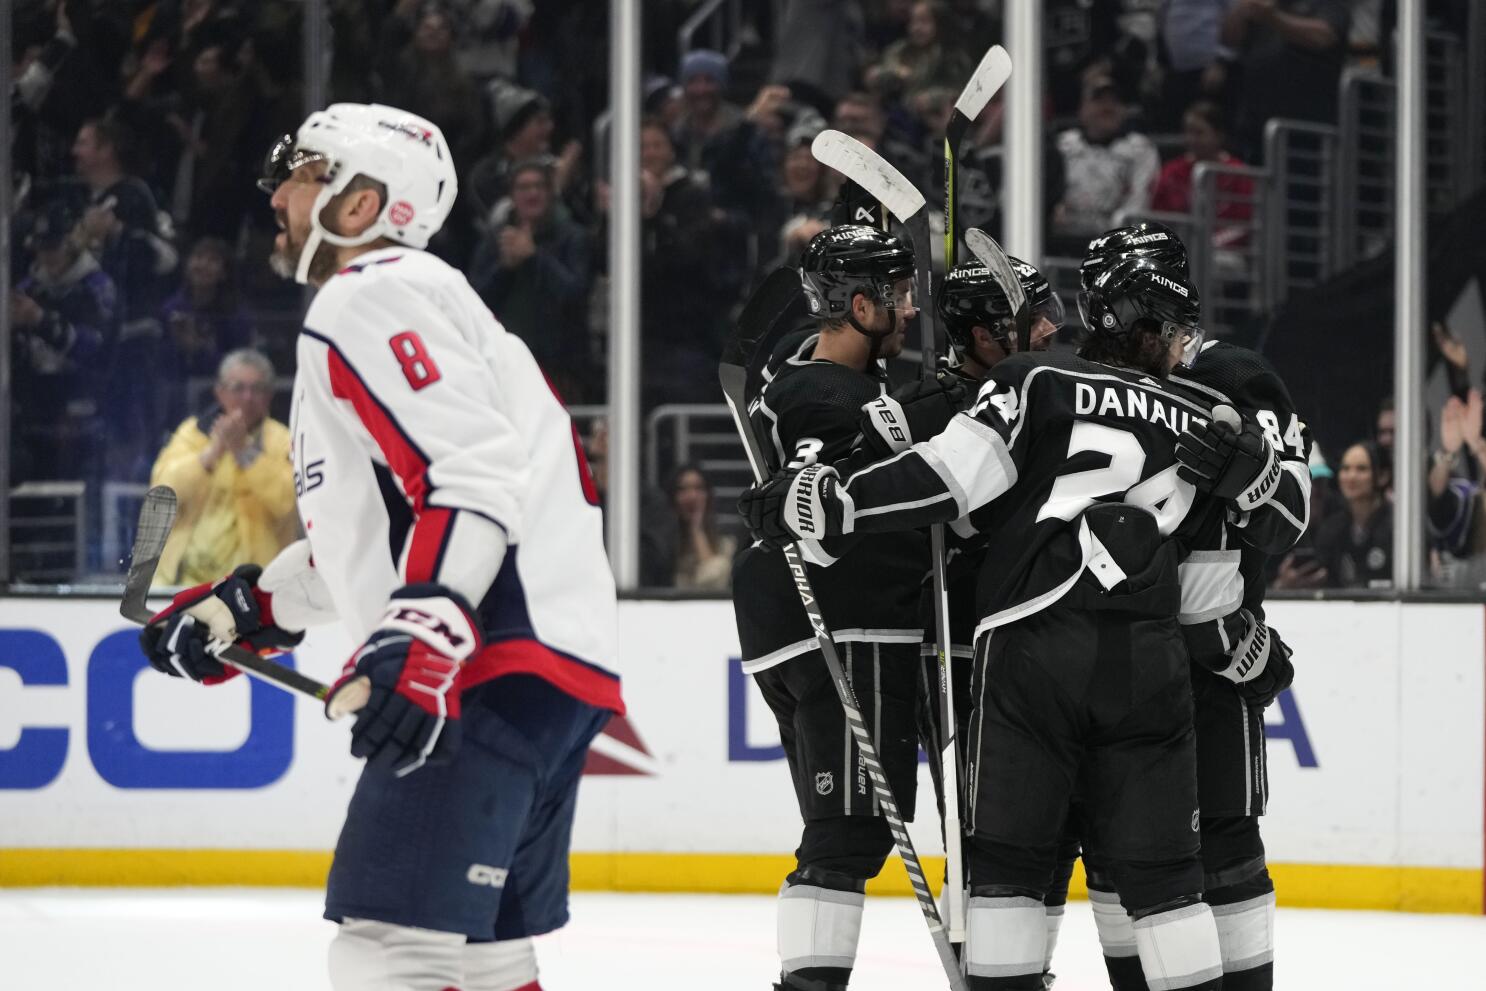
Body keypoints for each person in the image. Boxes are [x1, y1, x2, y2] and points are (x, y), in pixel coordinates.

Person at [136, 103, 623, 991]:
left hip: (485, 662)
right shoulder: (428, 303)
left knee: (389, 953)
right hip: (547, 670)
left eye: (303, 171)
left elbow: (468, 478)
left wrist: (424, 639)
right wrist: (248, 607)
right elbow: (387, 532)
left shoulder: (371, 293)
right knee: (484, 957)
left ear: (358, 206)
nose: (278, 191)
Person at [742, 256, 1233, 991]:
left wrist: (835, 500)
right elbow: (1211, 585)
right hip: (1149, 658)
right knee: (1164, 875)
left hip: (1031, 648)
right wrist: (1230, 651)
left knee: (1007, 861)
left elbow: (944, 484)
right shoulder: (1199, 416)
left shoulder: (1033, 381)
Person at [1068, 223, 1313, 991]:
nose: (1105, 330)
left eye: (1120, 314)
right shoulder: (1090, 383)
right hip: (1110, 655)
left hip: (1207, 659)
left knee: (1227, 841)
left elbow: (1294, 509)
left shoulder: (1234, 373)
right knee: (1111, 847)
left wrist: (1255, 472)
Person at [730, 224, 929, 991]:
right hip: (850, 623)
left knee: (845, 827)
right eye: (898, 296)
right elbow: (814, 481)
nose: (910, 310)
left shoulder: (817, 376)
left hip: (811, 627)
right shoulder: (817, 391)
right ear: (856, 303)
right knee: (846, 834)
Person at [149, 349, 296, 587]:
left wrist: (244, 453)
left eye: (257, 389)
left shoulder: (283, 440)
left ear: (269, 396)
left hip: (256, 588)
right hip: (183, 584)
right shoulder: (192, 433)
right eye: (238, 388)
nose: (247, 397)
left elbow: (286, 502)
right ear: (220, 392)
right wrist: (213, 453)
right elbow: (162, 494)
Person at [1050, 73, 1160, 251]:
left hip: (1115, 246)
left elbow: (1138, 202)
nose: (1107, 108)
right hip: (1061, 239)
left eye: (1115, 101)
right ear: (1082, 109)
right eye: (1098, 100)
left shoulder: (1141, 150)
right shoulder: (1063, 145)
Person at [1313, 441, 1392, 588]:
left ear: (1382, 476)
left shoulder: (1398, 529)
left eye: (1361, 469)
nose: (1351, 476)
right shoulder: (1331, 529)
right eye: (1345, 469)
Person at [665, 464, 736, 592]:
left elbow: (714, 584)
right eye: (683, 489)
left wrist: (696, 529)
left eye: (698, 488)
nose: (691, 496)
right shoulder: (663, 545)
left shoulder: (725, 543)